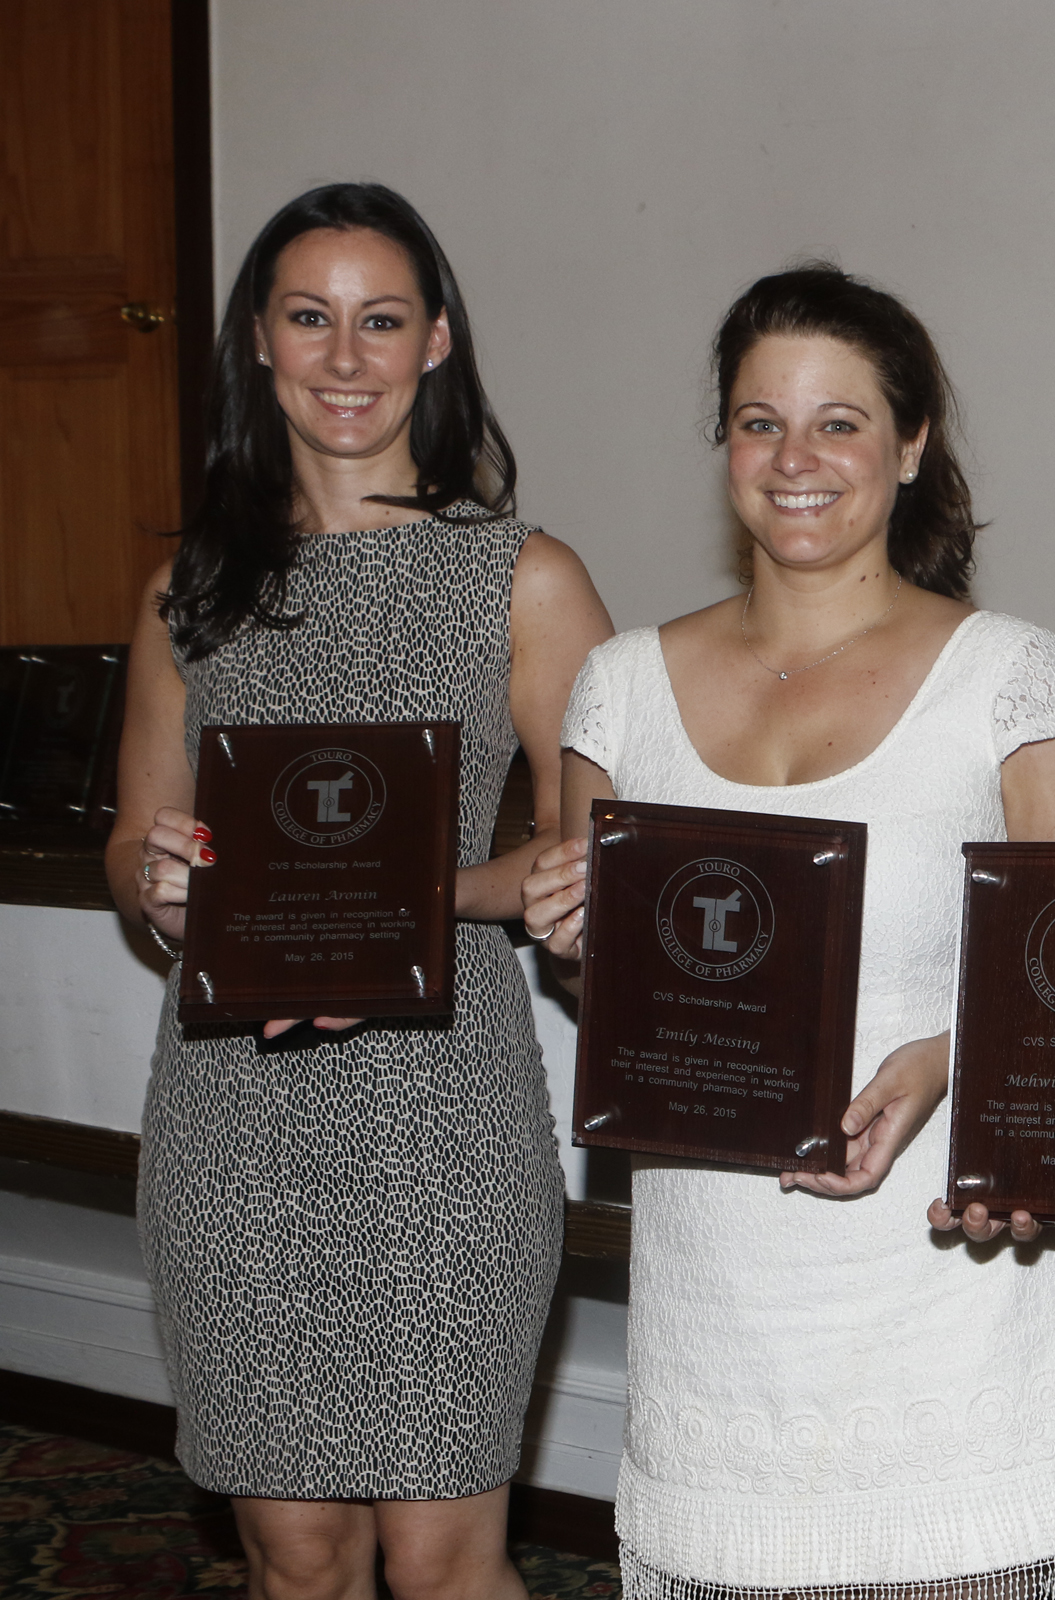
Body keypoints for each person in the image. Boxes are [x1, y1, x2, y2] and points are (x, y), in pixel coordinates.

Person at [518, 264, 1055, 1599]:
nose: (795, 459)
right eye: (758, 421)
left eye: (839, 422)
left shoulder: (1010, 680)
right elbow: (626, 993)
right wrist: (581, 947)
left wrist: (945, 1058)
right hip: (719, 1345)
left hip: (956, 1335)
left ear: (910, 447)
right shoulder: (617, 692)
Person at [109, 184, 614, 1600]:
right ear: (257, 344)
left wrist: (409, 903)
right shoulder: (187, 591)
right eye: (309, 319)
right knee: (294, 1557)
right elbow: (135, 837)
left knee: (444, 1559)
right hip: (234, 1115)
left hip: (439, 1109)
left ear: (437, 342)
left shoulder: (522, 577)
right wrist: (159, 884)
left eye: (382, 320)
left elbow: (588, 863)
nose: (346, 357)